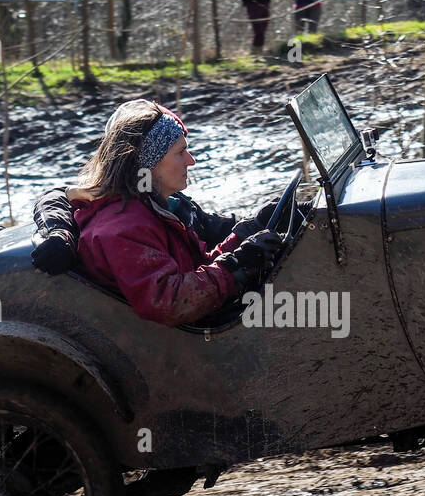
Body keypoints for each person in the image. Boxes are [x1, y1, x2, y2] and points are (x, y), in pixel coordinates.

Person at [30, 100, 283, 326]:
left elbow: (196, 268)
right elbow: (170, 301)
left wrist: (248, 232)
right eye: (180, 152)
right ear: (149, 164)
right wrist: (235, 267)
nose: (191, 160)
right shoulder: (123, 227)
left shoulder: (156, 207)